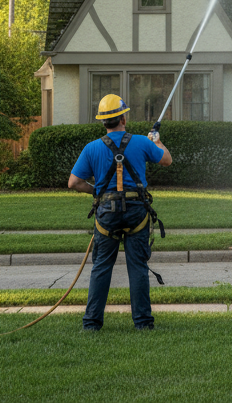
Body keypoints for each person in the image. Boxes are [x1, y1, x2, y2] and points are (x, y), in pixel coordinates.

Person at [68, 94, 172, 331]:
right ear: (123, 118)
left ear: (103, 122)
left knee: (101, 267)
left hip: (107, 214)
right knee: (138, 267)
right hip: (137, 213)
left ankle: (92, 324)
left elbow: (73, 182)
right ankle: (143, 323)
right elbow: (166, 160)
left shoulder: (91, 148)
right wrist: (157, 142)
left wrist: (97, 192)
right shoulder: (142, 142)